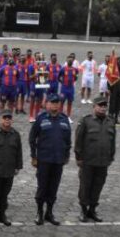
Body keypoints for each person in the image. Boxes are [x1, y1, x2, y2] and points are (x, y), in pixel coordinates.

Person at [28, 93, 71, 226]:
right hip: (44, 160)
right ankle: (39, 212)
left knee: (53, 188)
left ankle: (49, 213)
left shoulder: (64, 119)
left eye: (57, 103)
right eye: (52, 103)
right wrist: (34, 156)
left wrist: (67, 155)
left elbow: (68, 140)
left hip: (58, 160)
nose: (55, 105)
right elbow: (32, 138)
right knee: (42, 188)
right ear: (47, 104)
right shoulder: (41, 118)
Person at [74, 95, 116, 222]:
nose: (103, 108)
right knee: (85, 186)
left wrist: (111, 156)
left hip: (103, 161)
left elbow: (112, 141)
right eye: (100, 106)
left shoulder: (110, 121)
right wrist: (79, 157)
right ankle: (83, 209)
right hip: (88, 161)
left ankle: (92, 209)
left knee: (98, 185)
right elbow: (78, 140)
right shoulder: (86, 121)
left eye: (105, 106)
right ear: (94, 107)